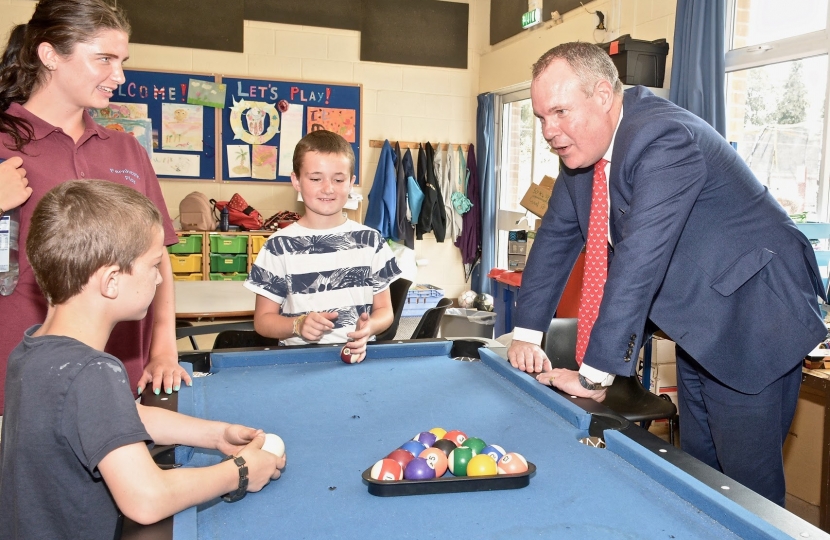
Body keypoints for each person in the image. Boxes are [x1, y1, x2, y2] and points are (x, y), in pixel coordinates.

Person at [507, 42, 826, 506]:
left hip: (755, 320)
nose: (548, 131)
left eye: (559, 112)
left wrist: (595, 376)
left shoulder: (662, 137)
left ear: (602, 94)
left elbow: (638, 261)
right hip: (700, 322)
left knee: (746, 491)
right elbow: (555, 240)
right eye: (541, 118)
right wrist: (525, 332)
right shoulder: (583, 150)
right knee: (700, 475)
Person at [0, 180, 286, 539]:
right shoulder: (92, 372)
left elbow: (112, 416)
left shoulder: (33, 350)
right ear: (112, 281)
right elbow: (146, 499)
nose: (158, 278)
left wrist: (214, 435)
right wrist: (241, 471)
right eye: (154, 265)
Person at [0, 0, 189, 417]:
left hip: (121, 374)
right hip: (21, 377)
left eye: (122, 61)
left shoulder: (126, 149)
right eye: (103, 59)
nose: (118, 76)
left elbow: (160, 258)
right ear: (49, 55)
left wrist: (163, 348)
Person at [245, 130, 402, 361]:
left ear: (351, 182)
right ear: (296, 180)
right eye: (316, 178)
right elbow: (263, 321)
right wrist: (298, 325)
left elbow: (384, 311)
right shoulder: (278, 246)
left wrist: (370, 328)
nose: (328, 188)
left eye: (338, 179)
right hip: (298, 362)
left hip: (357, 359)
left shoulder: (371, 241)